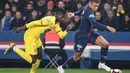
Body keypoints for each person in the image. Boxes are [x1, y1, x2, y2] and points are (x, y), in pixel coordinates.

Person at [4, 9, 74, 73]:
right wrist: (21, 28)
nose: (62, 18)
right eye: (60, 16)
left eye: (62, 16)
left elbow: (61, 35)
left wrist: (67, 29)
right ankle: (13, 47)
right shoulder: (49, 20)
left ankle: (32, 72)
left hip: (36, 37)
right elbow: (34, 23)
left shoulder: (56, 25)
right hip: (30, 35)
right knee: (33, 60)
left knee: (39, 57)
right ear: (56, 15)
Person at [57, 0, 116, 73]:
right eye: (95, 6)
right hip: (81, 37)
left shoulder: (86, 7)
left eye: (97, 6)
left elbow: (80, 11)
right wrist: (107, 27)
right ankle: (61, 67)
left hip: (90, 33)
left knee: (105, 44)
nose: (96, 8)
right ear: (91, 3)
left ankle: (101, 64)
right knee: (76, 58)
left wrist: (73, 13)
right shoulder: (89, 12)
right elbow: (94, 24)